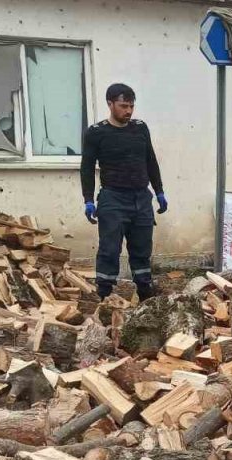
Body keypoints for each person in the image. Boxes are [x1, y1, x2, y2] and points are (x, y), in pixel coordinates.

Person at [81, 83, 167, 300]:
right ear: (110, 104)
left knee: (142, 250)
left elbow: (151, 160)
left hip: (141, 198)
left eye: (131, 106)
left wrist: (159, 191)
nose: (128, 111)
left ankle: (146, 296)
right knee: (109, 250)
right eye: (123, 106)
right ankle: (104, 295)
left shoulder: (140, 128)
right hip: (113, 199)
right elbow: (87, 168)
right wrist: (88, 200)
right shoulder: (96, 133)